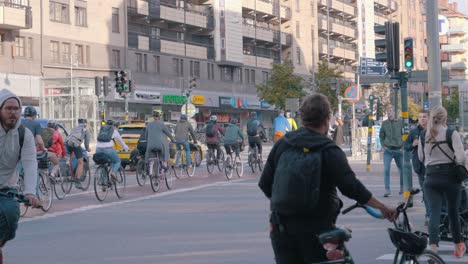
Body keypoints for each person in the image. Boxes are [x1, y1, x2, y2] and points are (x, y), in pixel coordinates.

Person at [259, 94, 397, 263]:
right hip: (318, 229)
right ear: (327, 119)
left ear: (302, 117)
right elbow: (352, 187)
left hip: (281, 227)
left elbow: (265, 184)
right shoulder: (329, 150)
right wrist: (382, 207)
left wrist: (287, 202)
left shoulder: (284, 144)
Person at [418, 106, 466, 257]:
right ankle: (458, 246)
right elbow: (460, 157)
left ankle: (433, 249)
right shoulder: (452, 133)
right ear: (445, 118)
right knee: (453, 212)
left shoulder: (423, 135)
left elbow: (421, 157)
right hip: (450, 177)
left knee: (434, 214)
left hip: (431, 177)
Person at [0, 89, 39, 262]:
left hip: (7, 188)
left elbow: (30, 163)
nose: (13, 112)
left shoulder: (24, 134)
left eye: (16, 108)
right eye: (8, 108)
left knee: (11, 214)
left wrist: (31, 192)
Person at [404, 109, 430, 223]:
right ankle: (428, 215)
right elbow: (405, 146)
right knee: (425, 191)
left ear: (429, 118)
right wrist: (412, 144)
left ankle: (434, 214)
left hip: (432, 165)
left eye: (424, 117)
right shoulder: (414, 132)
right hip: (420, 166)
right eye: (420, 117)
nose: (422, 119)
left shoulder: (432, 130)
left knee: (432, 192)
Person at [379, 107, 404, 197]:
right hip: (388, 150)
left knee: (402, 170)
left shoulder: (400, 122)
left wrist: (403, 146)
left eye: (391, 111)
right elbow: (381, 136)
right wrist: (383, 146)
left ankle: (402, 187)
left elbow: (405, 134)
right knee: (386, 169)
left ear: (394, 112)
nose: (389, 113)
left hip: (398, 149)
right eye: (388, 111)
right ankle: (387, 190)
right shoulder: (384, 123)